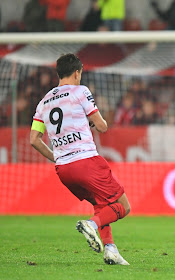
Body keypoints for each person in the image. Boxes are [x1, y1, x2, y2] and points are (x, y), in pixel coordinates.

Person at [30, 53, 131, 265]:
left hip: (64, 170)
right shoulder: (81, 91)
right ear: (77, 73)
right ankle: (92, 225)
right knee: (123, 206)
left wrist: (57, 157)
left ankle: (111, 249)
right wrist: (94, 121)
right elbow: (102, 126)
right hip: (86, 161)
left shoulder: (44, 102)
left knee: (100, 203)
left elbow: (34, 140)